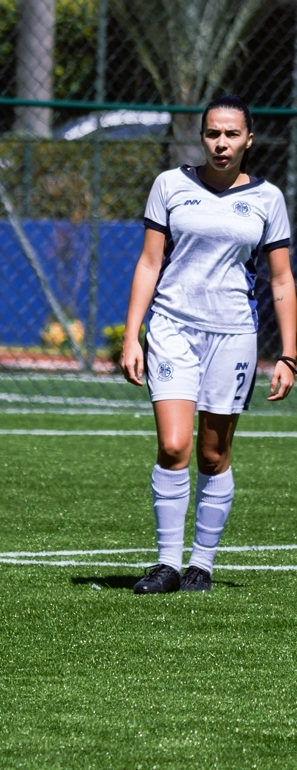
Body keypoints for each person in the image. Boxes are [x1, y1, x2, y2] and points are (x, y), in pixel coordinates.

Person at [120, 95, 296, 594]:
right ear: (202, 137)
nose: (222, 144)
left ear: (248, 140)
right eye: (213, 134)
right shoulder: (170, 185)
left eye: (231, 135)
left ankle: (202, 563)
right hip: (173, 327)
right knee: (174, 445)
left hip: (235, 335)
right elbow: (150, 262)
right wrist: (132, 335)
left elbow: (281, 280)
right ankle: (166, 563)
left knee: (213, 455)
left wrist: (288, 354)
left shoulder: (268, 199)